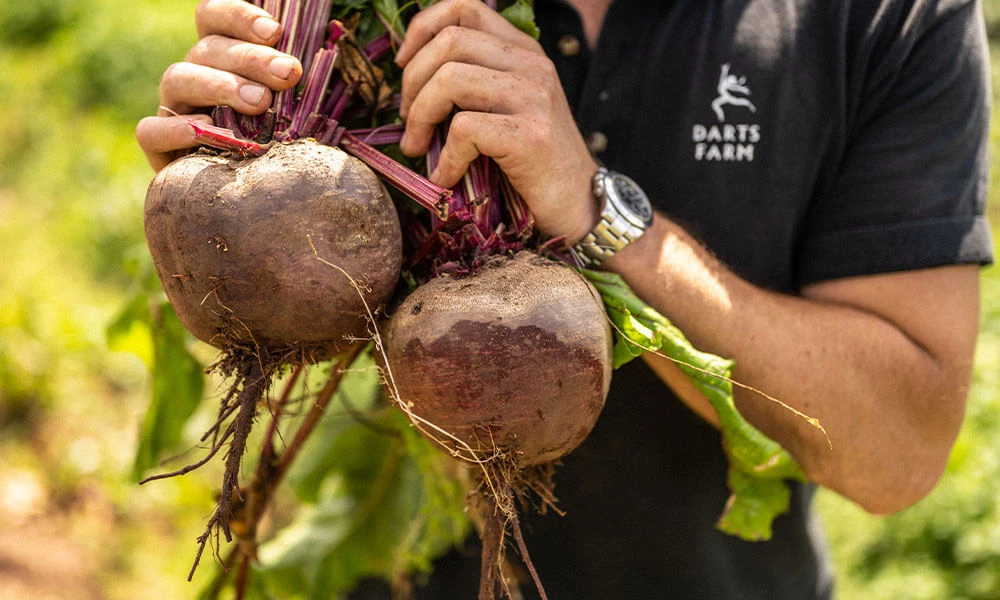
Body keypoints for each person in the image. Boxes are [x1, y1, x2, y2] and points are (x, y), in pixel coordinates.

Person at [136, 0, 995, 597]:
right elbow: (313, 296)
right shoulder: (356, 21)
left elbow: (899, 452)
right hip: (393, 580)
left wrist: (597, 212)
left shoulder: (889, 19)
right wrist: (242, 164)